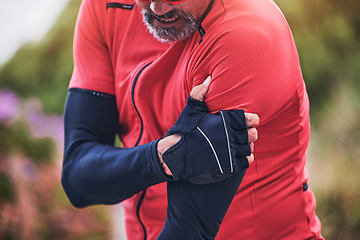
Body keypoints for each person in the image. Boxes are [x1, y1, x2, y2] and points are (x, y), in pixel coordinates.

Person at [61, 0, 324, 239]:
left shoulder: (245, 34)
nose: (156, 8)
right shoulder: (104, 6)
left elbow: (188, 230)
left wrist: (170, 157)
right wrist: (164, 157)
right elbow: (77, 177)